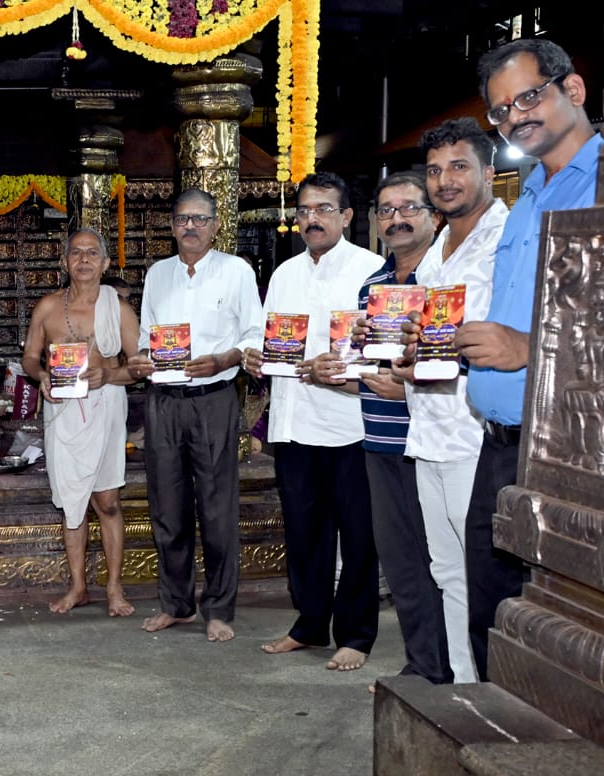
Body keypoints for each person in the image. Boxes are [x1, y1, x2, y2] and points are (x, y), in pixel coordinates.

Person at [433, 39, 597, 680]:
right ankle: (497, 727)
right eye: (502, 110)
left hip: (575, 451)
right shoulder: (528, 198)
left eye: (528, 97)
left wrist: (529, 349)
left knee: (568, 628)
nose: (515, 117)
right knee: (491, 609)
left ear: (572, 90)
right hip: (502, 444)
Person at [244, 172, 385, 672]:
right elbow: (271, 339)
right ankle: (308, 623)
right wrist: (256, 357)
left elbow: (382, 349)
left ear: (346, 216)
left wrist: (340, 367)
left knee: (358, 534)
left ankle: (357, 635)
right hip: (294, 421)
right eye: (304, 210)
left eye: (324, 209)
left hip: (350, 424)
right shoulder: (285, 274)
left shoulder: (373, 271)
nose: (312, 219)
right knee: (304, 530)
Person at [395, 119, 510, 685]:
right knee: (446, 570)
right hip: (428, 427)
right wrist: (405, 352)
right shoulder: (436, 248)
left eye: (459, 167)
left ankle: (496, 693)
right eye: (436, 170)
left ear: (489, 171)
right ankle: (465, 689)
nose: (445, 180)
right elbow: (430, 336)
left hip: (477, 432)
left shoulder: (507, 239)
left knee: (485, 575)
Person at [126, 189, 263, 641]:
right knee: (168, 507)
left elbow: (255, 334)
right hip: (163, 401)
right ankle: (176, 604)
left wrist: (224, 359)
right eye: (183, 219)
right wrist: (141, 360)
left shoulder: (236, 271)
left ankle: (218, 608)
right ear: (171, 226)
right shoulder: (158, 274)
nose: (191, 227)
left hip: (213, 398)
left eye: (200, 219)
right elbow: (146, 338)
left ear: (216, 226)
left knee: (217, 507)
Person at [354, 172, 451, 687]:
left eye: (409, 208)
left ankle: (454, 670)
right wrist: (340, 363)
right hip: (380, 439)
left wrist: (409, 391)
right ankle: (422, 665)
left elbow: (452, 363)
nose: (397, 219)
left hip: (432, 441)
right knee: (401, 562)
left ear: (434, 216)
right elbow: (371, 364)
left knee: (443, 562)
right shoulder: (372, 287)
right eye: (387, 210)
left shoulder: (446, 281)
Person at [21, 228, 141, 618]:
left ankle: (114, 588)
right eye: (76, 253)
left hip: (106, 405)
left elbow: (139, 367)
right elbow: (29, 357)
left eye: (92, 253)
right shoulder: (47, 307)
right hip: (63, 410)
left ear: (105, 264)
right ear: (65, 261)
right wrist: (41, 376)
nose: (84, 259)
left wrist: (108, 375)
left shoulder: (119, 310)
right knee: (72, 504)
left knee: (107, 501)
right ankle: (78, 587)